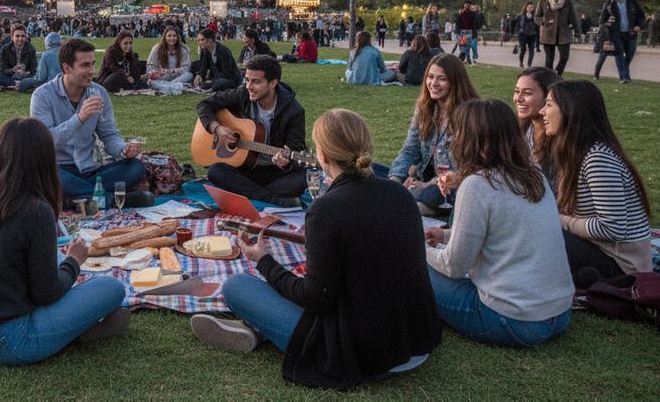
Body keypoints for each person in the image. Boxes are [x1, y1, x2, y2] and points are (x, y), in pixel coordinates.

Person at [192, 108, 440, 390]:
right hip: (415, 339)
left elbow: (315, 298)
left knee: (237, 286)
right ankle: (256, 331)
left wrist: (264, 261)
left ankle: (259, 329)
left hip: (362, 350)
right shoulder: (399, 194)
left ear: (321, 156)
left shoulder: (327, 209)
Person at [0, 117, 129, 365]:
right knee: (112, 287)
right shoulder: (35, 211)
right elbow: (47, 294)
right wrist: (74, 262)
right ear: (44, 158)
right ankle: (76, 329)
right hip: (4, 339)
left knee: (55, 257)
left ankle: (74, 329)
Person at [424, 99, 573, 347]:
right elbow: (509, 231)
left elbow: (454, 266)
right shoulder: (533, 174)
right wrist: (447, 236)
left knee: (414, 264)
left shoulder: (478, 185)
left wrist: (420, 248)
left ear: (470, 140)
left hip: (513, 320)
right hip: (559, 313)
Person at [541, 80, 652, 279]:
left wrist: (558, 220)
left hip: (622, 265)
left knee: (539, 235)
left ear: (570, 111)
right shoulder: (576, 152)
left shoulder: (597, 158)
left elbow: (612, 228)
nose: (542, 111)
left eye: (548, 105)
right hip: (598, 250)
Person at [30, 38, 150, 205]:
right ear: (66, 68)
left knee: (135, 167)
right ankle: (108, 200)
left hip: (89, 170)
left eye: (93, 64)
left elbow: (109, 135)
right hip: (58, 168)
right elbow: (45, 142)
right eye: (85, 65)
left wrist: (124, 149)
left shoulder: (98, 92)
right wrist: (79, 118)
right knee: (43, 174)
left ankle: (80, 198)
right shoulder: (42, 96)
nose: (92, 71)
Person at [195, 55, 307, 206]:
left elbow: (296, 150)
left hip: (273, 171)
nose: (249, 86)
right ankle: (272, 198)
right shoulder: (243, 94)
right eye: (247, 80)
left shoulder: (294, 111)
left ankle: (250, 193)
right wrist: (217, 128)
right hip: (244, 168)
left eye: (256, 81)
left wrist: (285, 162)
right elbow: (204, 104)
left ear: (273, 83)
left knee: (303, 177)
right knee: (215, 171)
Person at [389, 54, 480, 215]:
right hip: (421, 179)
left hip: (452, 185)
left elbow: (471, 167)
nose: (433, 83)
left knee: (433, 194)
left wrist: (429, 184)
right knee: (373, 171)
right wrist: (394, 182)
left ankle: (404, 211)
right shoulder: (425, 108)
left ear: (455, 82)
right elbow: (410, 150)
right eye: (430, 77)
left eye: (441, 79)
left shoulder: (470, 114)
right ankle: (401, 201)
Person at [513, 67, 561, 185]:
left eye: (527, 93)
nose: (518, 99)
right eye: (517, 91)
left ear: (549, 96)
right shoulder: (521, 131)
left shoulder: (562, 138)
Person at [599, 0, 645, 84]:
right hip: (616, 34)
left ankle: (624, 73)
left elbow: (642, 16)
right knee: (619, 56)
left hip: (630, 33)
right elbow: (602, 21)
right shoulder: (609, 4)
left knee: (629, 55)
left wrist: (639, 26)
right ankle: (624, 78)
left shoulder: (632, 2)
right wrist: (608, 22)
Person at [536, 0, 576, 76]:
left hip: (564, 33)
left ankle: (557, 74)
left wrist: (576, 30)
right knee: (549, 59)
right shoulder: (543, 0)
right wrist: (545, 22)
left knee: (564, 57)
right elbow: (537, 17)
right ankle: (549, 79)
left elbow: (573, 16)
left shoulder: (567, 0)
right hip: (548, 33)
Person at [146, 24, 193, 93]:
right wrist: (156, 72)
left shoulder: (183, 49)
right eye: (169, 36)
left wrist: (174, 71)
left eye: (174, 36)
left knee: (189, 75)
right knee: (151, 81)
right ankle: (175, 87)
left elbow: (186, 68)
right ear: (164, 37)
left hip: (177, 78)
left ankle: (167, 86)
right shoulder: (157, 49)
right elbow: (150, 66)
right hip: (162, 77)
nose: (172, 38)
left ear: (177, 37)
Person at [0, 25, 39, 91]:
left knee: (33, 80)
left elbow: (33, 69)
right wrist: (13, 70)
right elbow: (2, 69)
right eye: (17, 36)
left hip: (25, 78)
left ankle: (17, 85)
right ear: (12, 37)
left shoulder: (31, 49)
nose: (20, 38)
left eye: (23, 36)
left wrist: (26, 73)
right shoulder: (5, 49)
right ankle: (18, 85)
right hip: (10, 77)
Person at [515, 2, 539, 68]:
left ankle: (529, 65)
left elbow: (538, 26)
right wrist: (518, 30)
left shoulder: (535, 16)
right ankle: (521, 62)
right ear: (526, 8)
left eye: (532, 7)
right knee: (523, 49)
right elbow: (515, 24)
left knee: (532, 50)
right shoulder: (520, 16)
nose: (530, 9)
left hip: (532, 35)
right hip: (523, 35)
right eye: (529, 7)